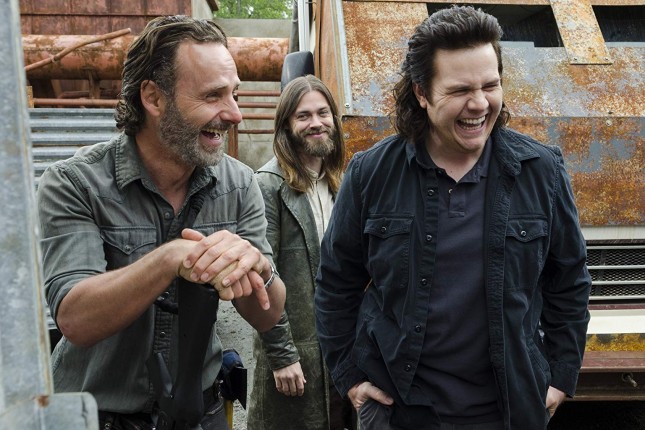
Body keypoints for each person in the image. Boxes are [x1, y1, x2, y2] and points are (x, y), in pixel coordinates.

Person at [314, 5, 592, 430]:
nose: (479, 104)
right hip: (400, 411)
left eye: (491, 85)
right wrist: (349, 376)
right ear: (422, 93)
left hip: (509, 412)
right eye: (460, 90)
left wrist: (559, 376)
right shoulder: (371, 173)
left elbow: (569, 280)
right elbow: (336, 283)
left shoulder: (542, 171)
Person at [37, 15, 285, 430]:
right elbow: (75, 320)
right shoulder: (74, 183)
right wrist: (171, 258)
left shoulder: (240, 183)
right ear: (153, 98)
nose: (234, 114)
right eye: (213, 96)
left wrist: (260, 268)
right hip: (99, 417)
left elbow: (267, 316)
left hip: (201, 413)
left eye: (234, 94)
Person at [247, 75, 355, 430]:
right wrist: (282, 355)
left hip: (340, 351)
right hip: (297, 355)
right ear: (286, 126)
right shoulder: (268, 185)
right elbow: (260, 279)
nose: (316, 123)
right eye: (303, 116)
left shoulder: (341, 183)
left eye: (323, 113)